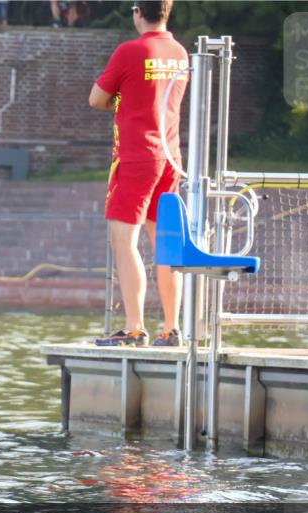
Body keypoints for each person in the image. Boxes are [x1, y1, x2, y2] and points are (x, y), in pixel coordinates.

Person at [89, 0, 188, 346]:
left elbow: (96, 99)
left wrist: (122, 96)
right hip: (170, 157)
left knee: (124, 241)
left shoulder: (130, 51)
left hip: (135, 157)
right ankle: (172, 327)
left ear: (137, 13)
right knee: (165, 244)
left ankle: (134, 327)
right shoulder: (180, 53)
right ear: (166, 12)